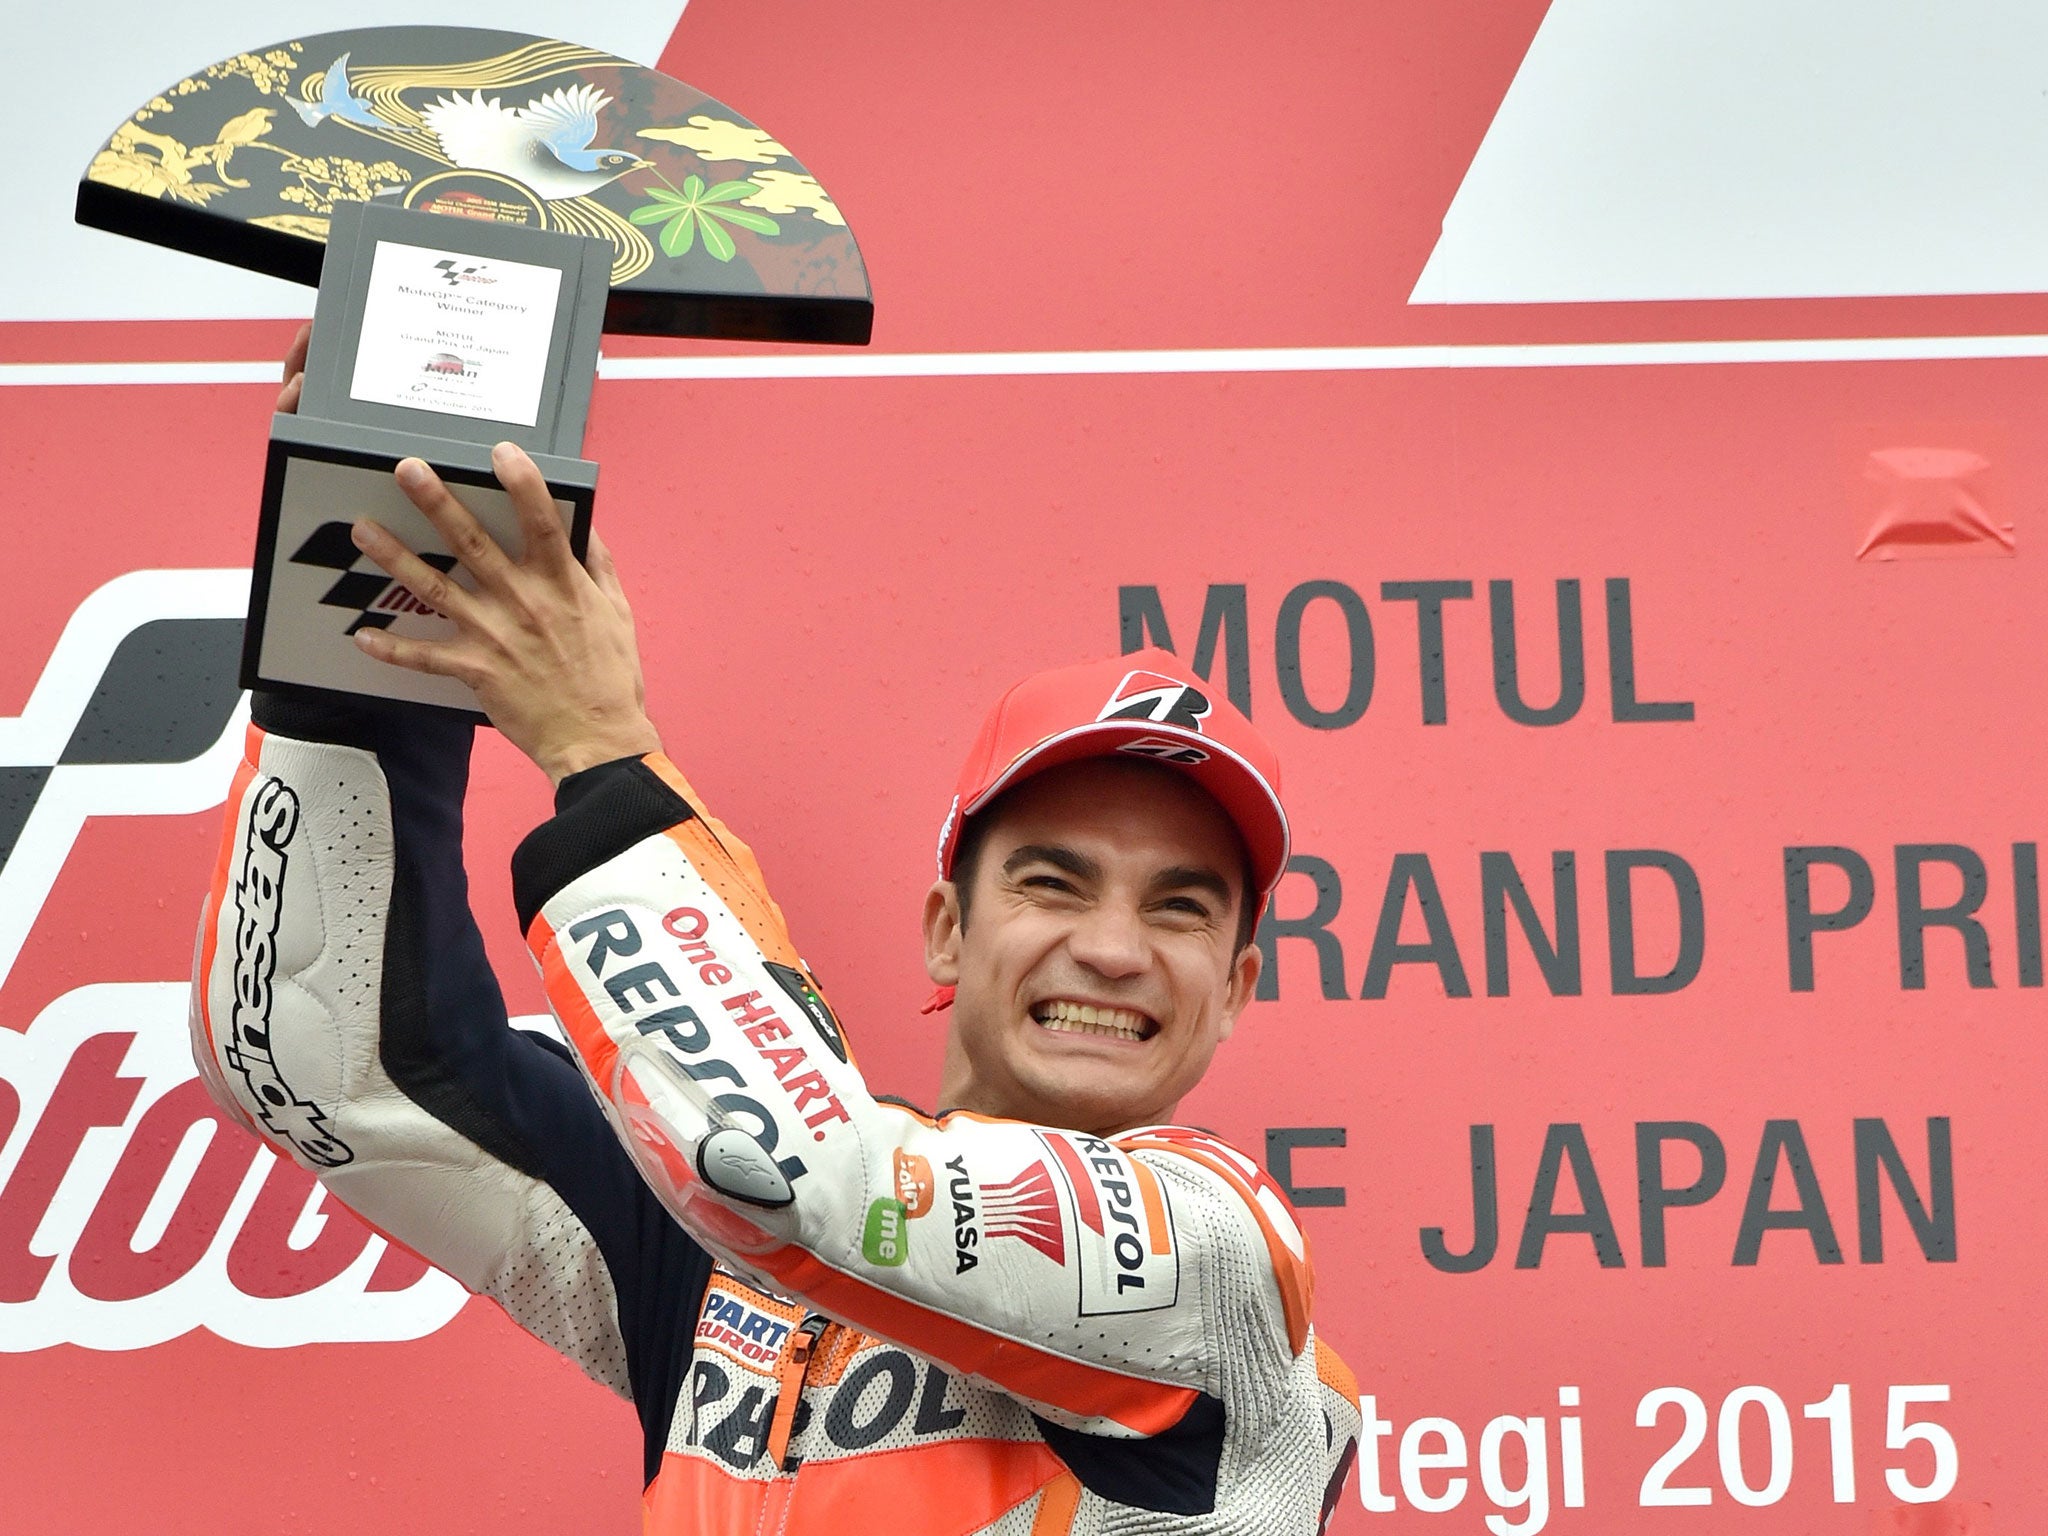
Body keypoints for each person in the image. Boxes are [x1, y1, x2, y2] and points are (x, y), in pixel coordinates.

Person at [190, 335, 1360, 1534]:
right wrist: (369, 634)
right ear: (946, 931)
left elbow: (798, 1179)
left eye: (1178, 905)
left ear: (1234, 987)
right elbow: (330, 1062)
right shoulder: (728, 1260)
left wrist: (599, 746)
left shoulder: (1218, 1264)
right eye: (1054, 884)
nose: (1113, 948)